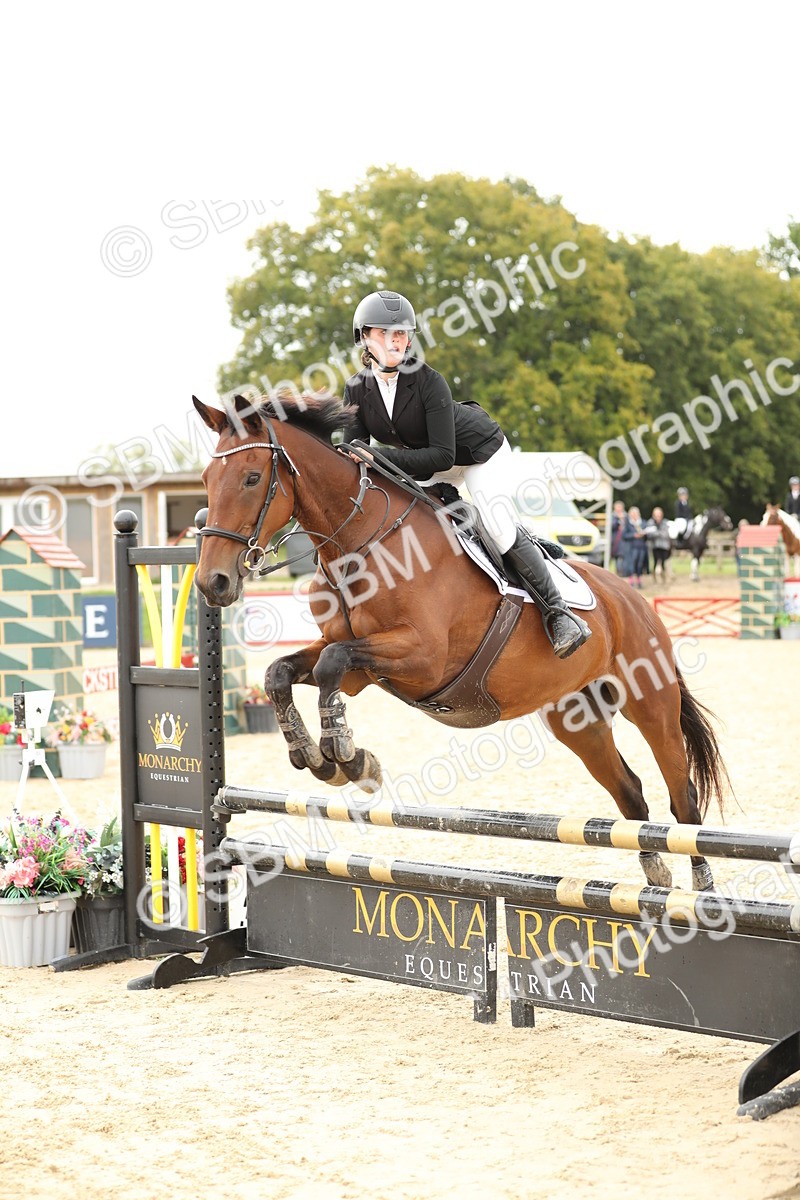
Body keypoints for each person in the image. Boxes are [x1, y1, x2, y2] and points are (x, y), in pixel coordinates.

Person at [341, 290, 591, 659]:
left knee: (496, 525)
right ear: (364, 337)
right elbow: (354, 454)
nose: (395, 341)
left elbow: (442, 455)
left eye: (401, 334)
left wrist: (377, 456)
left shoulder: (428, 381)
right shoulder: (356, 388)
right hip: (427, 463)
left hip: (478, 454)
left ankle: (559, 614)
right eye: (385, 333)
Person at [621, 506, 649, 587]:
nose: (634, 516)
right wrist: (633, 535)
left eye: (636, 514)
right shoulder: (628, 524)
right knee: (631, 564)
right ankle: (631, 581)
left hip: (641, 547)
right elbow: (624, 535)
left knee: (640, 564)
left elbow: (647, 535)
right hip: (631, 547)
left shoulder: (643, 523)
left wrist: (644, 534)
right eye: (632, 514)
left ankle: (639, 580)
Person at [644, 506, 672, 584]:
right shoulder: (650, 523)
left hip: (664, 546)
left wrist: (655, 532)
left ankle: (664, 577)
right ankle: (655, 578)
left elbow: (665, 534)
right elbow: (649, 534)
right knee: (655, 562)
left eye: (659, 515)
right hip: (655, 546)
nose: (658, 517)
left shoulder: (665, 522)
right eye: (656, 515)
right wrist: (658, 533)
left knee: (663, 562)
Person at [610, 500, 627, 574]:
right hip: (615, 541)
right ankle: (617, 572)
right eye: (617, 508)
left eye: (620, 507)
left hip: (624, 541)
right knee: (617, 557)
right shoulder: (612, 516)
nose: (619, 509)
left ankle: (621, 572)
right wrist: (618, 520)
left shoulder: (626, 517)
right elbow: (611, 526)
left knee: (621, 557)